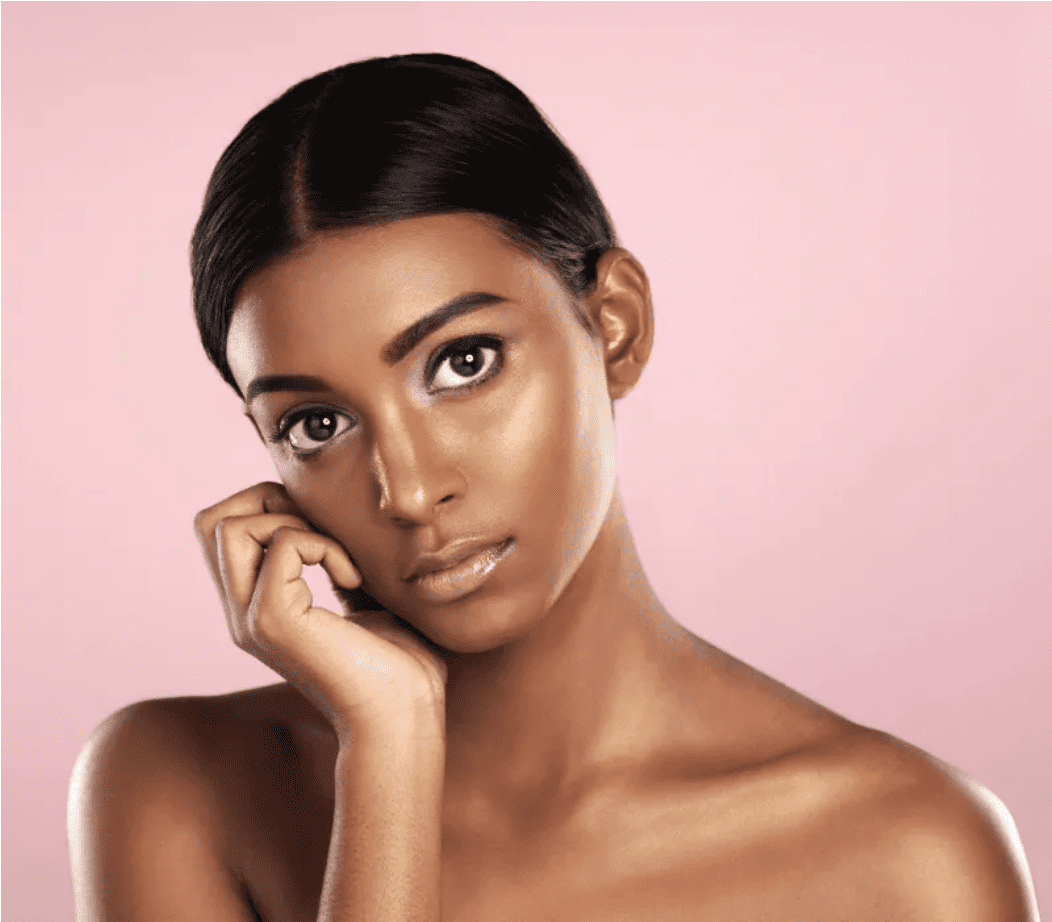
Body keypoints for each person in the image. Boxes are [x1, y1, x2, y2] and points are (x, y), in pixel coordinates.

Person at [67, 53, 1039, 922]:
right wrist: (390, 751)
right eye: (316, 424)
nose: (407, 489)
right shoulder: (174, 787)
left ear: (612, 325)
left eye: (463, 361)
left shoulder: (906, 851)